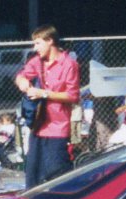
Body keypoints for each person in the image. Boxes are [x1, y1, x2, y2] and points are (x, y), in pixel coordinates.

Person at [14, 24, 80, 187]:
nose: (35, 48)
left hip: (58, 130)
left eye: (38, 43)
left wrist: (43, 93)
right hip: (38, 127)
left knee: (56, 177)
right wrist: (22, 82)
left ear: (50, 41)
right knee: (33, 178)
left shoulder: (69, 64)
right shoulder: (37, 61)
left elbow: (72, 95)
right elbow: (21, 75)